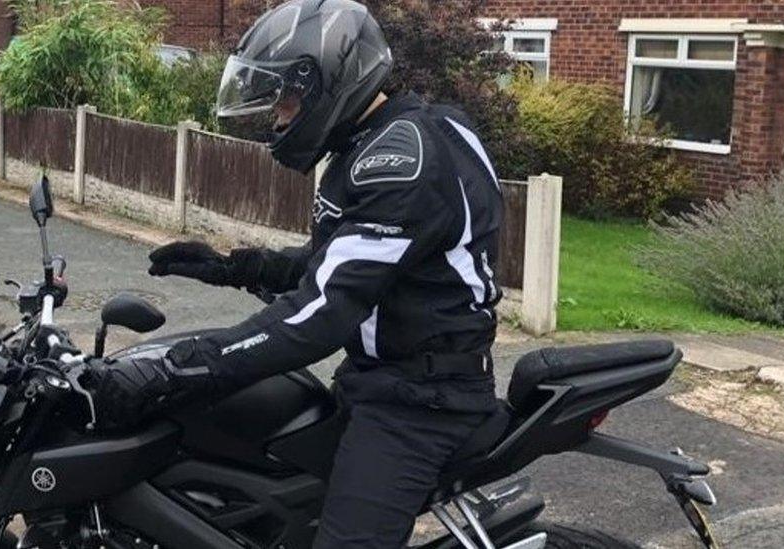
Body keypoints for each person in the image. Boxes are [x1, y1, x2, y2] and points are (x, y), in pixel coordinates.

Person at [83, 0, 504, 546]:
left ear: (329, 81)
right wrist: (233, 267)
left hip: (420, 405)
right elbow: (346, 263)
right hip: (381, 382)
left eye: (285, 95)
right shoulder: (405, 132)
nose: (277, 114)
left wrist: (178, 368)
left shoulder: (400, 161)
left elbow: (323, 315)